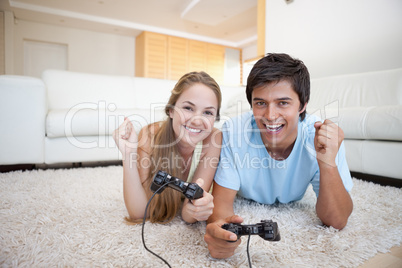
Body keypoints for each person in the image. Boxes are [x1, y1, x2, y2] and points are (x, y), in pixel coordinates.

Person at [204, 53, 354, 258]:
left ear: (302, 105)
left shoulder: (321, 137)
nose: (270, 116)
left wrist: (327, 163)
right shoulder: (233, 132)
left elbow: (337, 221)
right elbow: (221, 206)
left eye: (283, 103)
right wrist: (219, 232)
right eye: (260, 103)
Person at [113, 71, 222, 224]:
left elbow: (188, 214)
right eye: (188, 108)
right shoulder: (150, 136)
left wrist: (193, 210)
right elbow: (139, 212)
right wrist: (128, 154)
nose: (197, 121)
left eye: (208, 112)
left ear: (215, 119)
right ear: (171, 110)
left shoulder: (214, 139)